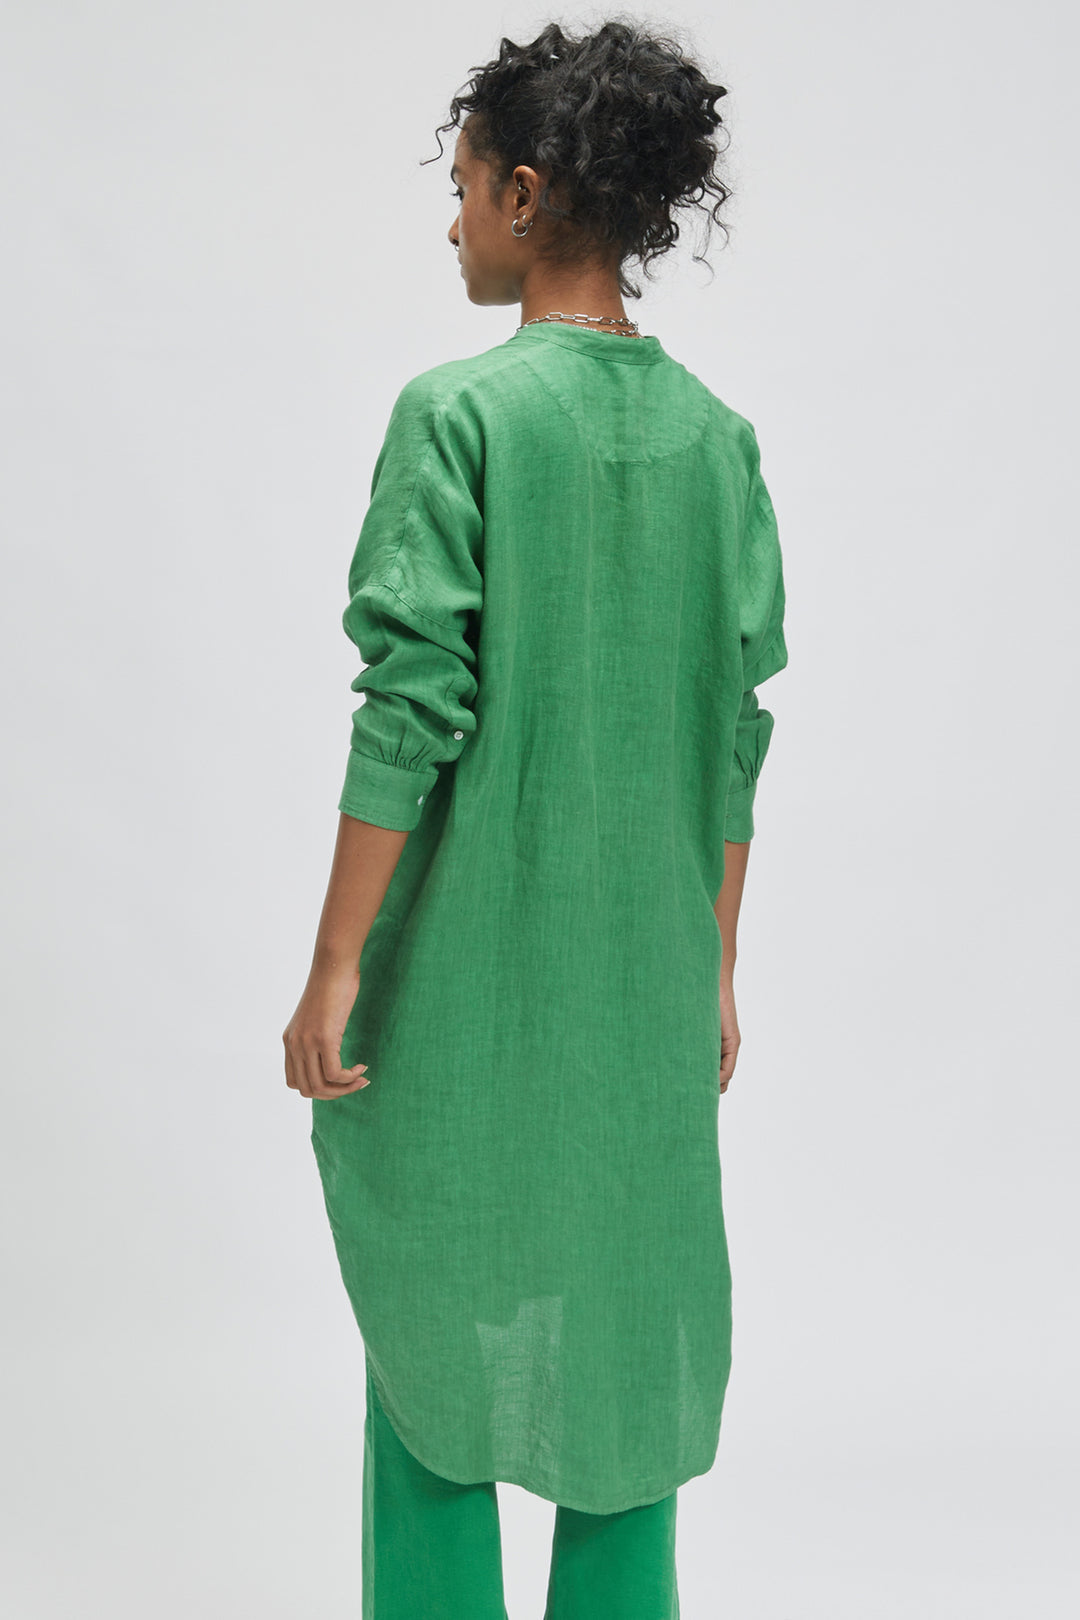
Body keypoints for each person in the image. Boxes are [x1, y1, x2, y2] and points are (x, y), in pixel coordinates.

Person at [283, 18, 788, 1619]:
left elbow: (408, 706)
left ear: (522, 193)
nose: (450, 225)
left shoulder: (461, 414)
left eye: (460, 191)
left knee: (430, 1328)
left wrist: (336, 965)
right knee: (627, 1348)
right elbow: (731, 736)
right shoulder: (720, 443)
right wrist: (714, 963)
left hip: (467, 979)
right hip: (646, 986)